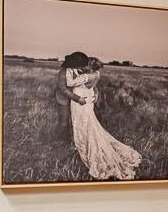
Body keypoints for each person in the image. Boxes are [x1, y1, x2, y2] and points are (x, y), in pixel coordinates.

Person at [60, 51, 142, 181]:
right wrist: (95, 94)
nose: (83, 66)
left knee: (84, 125)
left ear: (89, 66)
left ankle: (85, 146)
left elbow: (70, 83)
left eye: (85, 65)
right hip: (86, 101)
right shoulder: (96, 74)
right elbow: (94, 87)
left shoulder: (86, 76)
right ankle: (82, 143)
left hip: (81, 103)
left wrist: (69, 70)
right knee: (88, 125)